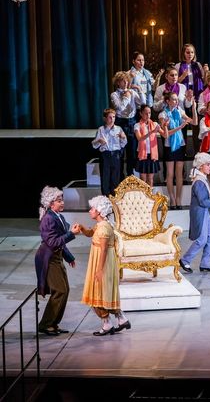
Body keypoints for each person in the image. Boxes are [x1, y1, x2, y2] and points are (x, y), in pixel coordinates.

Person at [72, 196, 130, 336]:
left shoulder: (104, 228)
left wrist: (99, 270)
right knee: (104, 292)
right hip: (102, 261)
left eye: (92, 208)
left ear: (99, 211)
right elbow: (90, 233)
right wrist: (82, 228)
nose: (90, 211)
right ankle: (121, 319)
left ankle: (107, 324)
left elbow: (103, 250)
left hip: (103, 263)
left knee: (98, 292)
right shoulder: (101, 224)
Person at [35, 187, 77, 336]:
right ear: (51, 203)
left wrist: (69, 257)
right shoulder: (48, 219)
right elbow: (53, 242)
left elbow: (60, 242)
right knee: (60, 290)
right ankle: (46, 324)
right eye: (59, 201)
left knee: (65, 290)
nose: (62, 203)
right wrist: (71, 234)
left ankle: (53, 323)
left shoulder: (59, 216)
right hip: (49, 258)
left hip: (57, 256)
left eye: (62, 200)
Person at [179, 153, 210, 274]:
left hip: (205, 211)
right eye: (208, 164)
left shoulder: (203, 179)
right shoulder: (199, 181)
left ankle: (205, 263)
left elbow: (205, 200)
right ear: (201, 166)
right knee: (202, 239)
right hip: (200, 212)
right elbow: (202, 201)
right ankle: (185, 260)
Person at [158, 92, 198, 209]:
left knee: (179, 174)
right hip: (169, 145)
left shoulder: (180, 111)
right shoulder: (163, 114)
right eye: (174, 100)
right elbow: (166, 134)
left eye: (177, 99)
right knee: (170, 174)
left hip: (180, 144)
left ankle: (179, 199)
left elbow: (194, 122)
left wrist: (194, 108)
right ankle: (172, 199)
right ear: (168, 101)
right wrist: (180, 127)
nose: (176, 102)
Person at [110, 71, 141, 176]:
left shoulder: (132, 92)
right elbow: (120, 108)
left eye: (127, 80)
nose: (126, 82)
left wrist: (139, 90)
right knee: (120, 151)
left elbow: (142, 103)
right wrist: (127, 97)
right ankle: (120, 176)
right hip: (120, 123)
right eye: (123, 81)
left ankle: (130, 174)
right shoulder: (114, 95)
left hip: (132, 122)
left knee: (132, 151)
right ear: (118, 82)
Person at [91, 108, 127, 196]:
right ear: (105, 118)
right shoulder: (101, 129)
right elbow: (94, 145)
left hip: (116, 155)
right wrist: (99, 141)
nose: (112, 119)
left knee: (115, 178)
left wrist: (123, 138)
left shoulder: (119, 129)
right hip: (105, 155)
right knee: (105, 178)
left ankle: (114, 199)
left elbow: (123, 144)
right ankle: (105, 199)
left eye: (114, 117)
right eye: (110, 117)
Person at [133, 104, 163, 187]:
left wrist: (165, 126)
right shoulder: (137, 125)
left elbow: (165, 135)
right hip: (142, 154)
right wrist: (152, 132)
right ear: (141, 113)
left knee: (150, 179)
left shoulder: (154, 124)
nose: (148, 115)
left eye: (149, 113)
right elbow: (140, 138)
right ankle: (143, 195)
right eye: (146, 113)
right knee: (143, 179)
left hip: (152, 154)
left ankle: (150, 195)